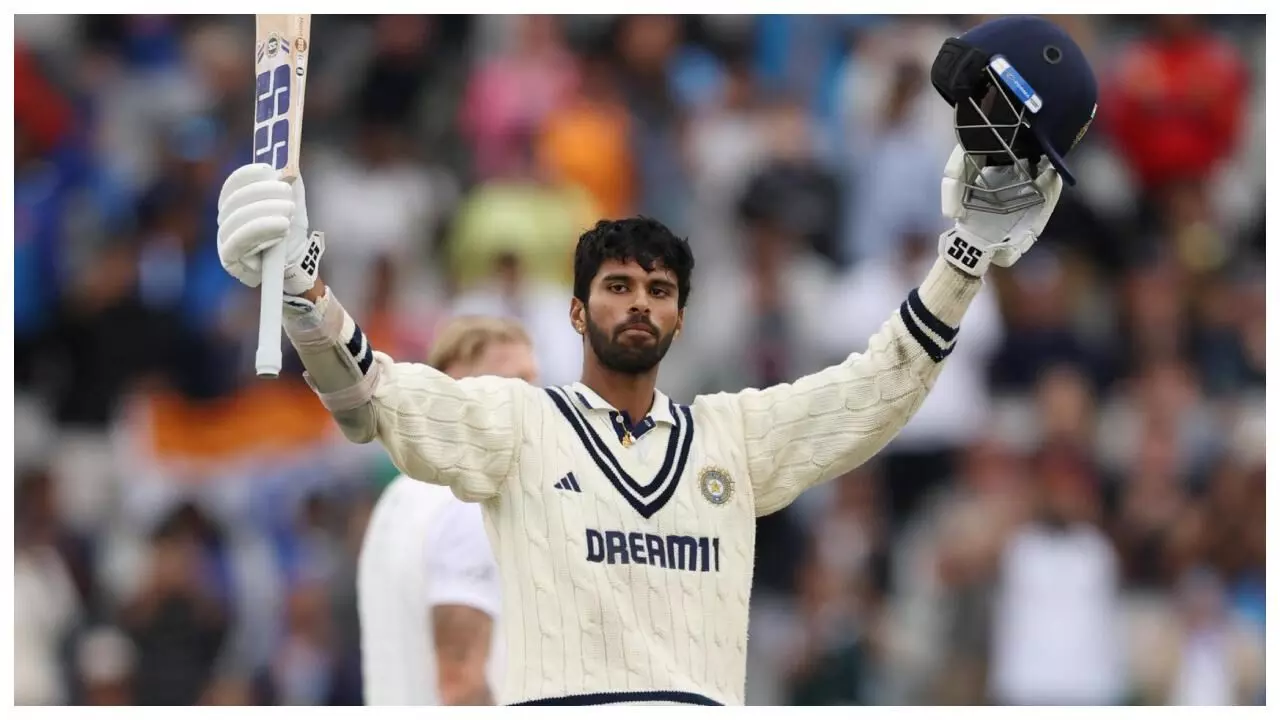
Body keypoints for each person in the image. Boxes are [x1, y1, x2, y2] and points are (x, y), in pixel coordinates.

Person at [214, 16, 1092, 706]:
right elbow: (374, 397)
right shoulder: (520, 425)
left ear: (680, 318)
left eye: (659, 290)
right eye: (618, 286)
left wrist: (963, 259)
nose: (640, 303)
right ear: (576, 311)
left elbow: (878, 389)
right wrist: (301, 289)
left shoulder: (731, 440)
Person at [357, 316, 538, 705]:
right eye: (513, 383)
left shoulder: (395, 501)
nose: (530, 403)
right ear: (452, 384)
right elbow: (460, 682)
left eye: (532, 384)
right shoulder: (469, 503)